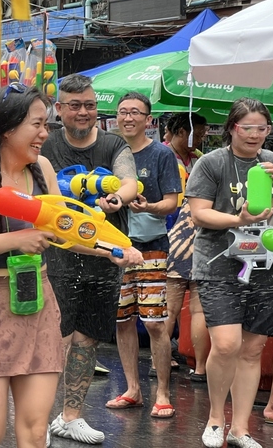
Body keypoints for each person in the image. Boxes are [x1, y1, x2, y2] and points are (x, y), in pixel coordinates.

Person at [0, 83, 141, 448]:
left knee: (35, 433)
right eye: (37, 125)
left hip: (39, 305)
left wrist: (112, 250)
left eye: (46, 125)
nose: (45, 134)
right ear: (8, 129)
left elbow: (63, 230)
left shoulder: (42, 169)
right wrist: (15, 240)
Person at [42, 74, 140, 444]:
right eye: (76, 106)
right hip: (59, 257)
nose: (84, 113)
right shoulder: (49, 147)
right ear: (61, 109)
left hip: (106, 258)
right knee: (55, 338)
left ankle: (71, 416)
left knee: (87, 339)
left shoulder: (114, 144)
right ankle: (39, 415)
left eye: (90, 106)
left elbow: (127, 179)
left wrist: (120, 198)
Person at [186, 97, 273, 448]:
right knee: (227, 344)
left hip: (268, 265)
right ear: (231, 128)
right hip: (219, 263)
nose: (255, 135)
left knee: (253, 349)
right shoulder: (212, 163)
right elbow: (200, 214)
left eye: (263, 128)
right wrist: (238, 220)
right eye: (248, 128)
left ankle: (241, 428)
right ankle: (215, 417)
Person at [105, 92, 181, 419]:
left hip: (151, 247)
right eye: (123, 112)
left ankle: (162, 392)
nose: (128, 117)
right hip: (115, 246)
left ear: (148, 120)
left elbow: (172, 202)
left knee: (154, 322)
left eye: (136, 112)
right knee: (122, 320)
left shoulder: (161, 155)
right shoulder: (109, 151)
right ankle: (133, 389)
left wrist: (148, 206)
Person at [163, 112, 210, 382]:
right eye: (197, 133)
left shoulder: (200, 160)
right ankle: (195, 366)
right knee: (191, 309)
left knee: (177, 307)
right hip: (191, 237)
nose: (200, 138)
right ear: (180, 131)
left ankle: (190, 365)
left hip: (182, 238)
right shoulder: (168, 156)